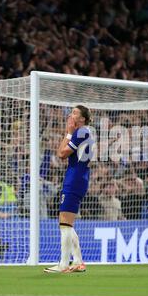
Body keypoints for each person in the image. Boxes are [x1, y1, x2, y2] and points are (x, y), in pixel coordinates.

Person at [44, 105, 93, 273]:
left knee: (64, 222)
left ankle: (64, 264)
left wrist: (68, 133)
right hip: (79, 177)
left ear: (82, 119)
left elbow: (61, 154)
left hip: (75, 179)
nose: (71, 115)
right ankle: (78, 262)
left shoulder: (80, 132)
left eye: (74, 113)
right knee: (67, 223)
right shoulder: (86, 132)